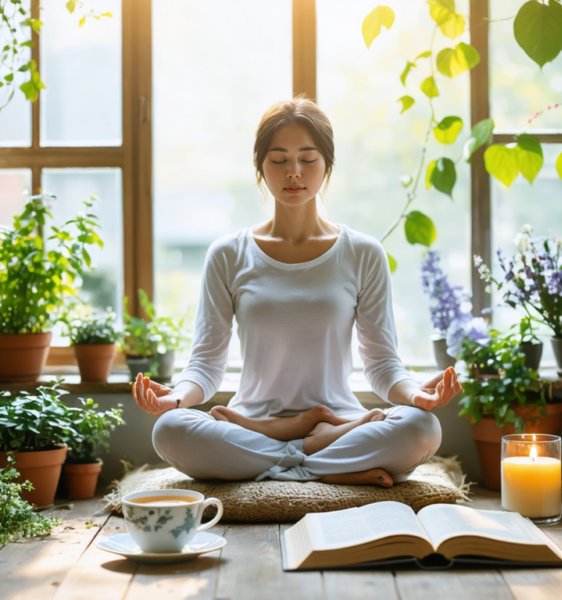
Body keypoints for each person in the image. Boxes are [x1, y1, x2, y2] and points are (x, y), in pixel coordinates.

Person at [132, 96, 463, 488]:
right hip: (254, 427)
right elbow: (205, 366)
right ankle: (324, 464)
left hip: (339, 419)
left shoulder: (362, 252)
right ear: (260, 166)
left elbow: (382, 365)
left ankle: (289, 461)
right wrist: (173, 399)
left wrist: (415, 395)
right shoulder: (227, 254)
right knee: (169, 429)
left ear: (327, 165)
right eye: (278, 159)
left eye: (307, 159)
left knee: (422, 428)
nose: (294, 172)